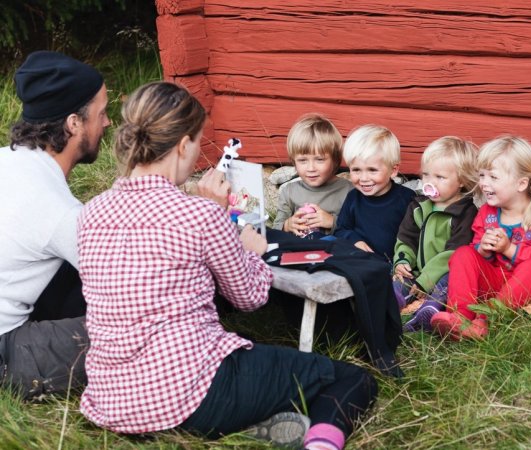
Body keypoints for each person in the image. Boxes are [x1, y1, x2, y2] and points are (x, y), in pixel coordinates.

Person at [77, 82, 376, 450]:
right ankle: (319, 443)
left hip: (111, 398)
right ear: (184, 144)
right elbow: (250, 297)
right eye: (199, 142)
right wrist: (251, 248)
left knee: (254, 360)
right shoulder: (201, 214)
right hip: (189, 393)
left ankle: (253, 424)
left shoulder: (93, 211)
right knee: (352, 379)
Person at [0, 51, 110, 399]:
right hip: (5, 351)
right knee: (135, 328)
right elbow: (128, 278)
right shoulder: (56, 208)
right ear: (74, 123)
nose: (107, 123)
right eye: (102, 113)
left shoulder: (7, 160)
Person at [430, 135, 531, 341]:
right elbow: (477, 254)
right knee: (463, 254)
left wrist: (509, 249)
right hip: (496, 282)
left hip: (529, 286)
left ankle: (486, 320)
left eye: (493, 177)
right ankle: (461, 317)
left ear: (521, 184)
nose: (483, 183)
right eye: (482, 175)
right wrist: (482, 250)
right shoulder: (487, 212)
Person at [393, 136, 479, 332]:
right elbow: (406, 238)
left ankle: (430, 309)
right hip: (417, 271)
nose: (430, 183)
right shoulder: (418, 206)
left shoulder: (465, 213)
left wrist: (426, 280)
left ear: (462, 181)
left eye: (439, 177)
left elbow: (453, 252)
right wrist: (403, 261)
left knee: (447, 282)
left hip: (442, 273)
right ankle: (393, 301)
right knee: (400, 279)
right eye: (426, 175)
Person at [334, 125, 415, 261]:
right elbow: (341, 230)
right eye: (356, 170)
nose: (364, 178)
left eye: (372, 170)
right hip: (360, 261)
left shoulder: (407, 199)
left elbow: (415, 236)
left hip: (394, 266)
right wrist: (355, 241)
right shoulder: (353, 198)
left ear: (393, 170)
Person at [272, 113, 352, 238]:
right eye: (303, 160)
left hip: (336, 252)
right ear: (294, 161)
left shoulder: (348, 191)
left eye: (319, 159)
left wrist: (333, 222)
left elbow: (359, 228)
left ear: (335, 160)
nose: (311, 168)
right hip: (299, 251)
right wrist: (287, 225)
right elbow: (276, 228)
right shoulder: (289, 192)